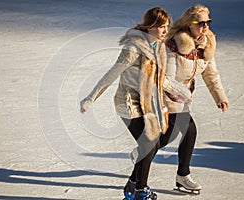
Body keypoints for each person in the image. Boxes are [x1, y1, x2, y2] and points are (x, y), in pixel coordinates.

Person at [80, 6, 190, 200]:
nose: (166, 30)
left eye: (167, 26)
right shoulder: (133, 48)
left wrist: (182, 91)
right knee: (149, 142)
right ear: (150, 27)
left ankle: (133, 185)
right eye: (161, 26)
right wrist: (90, 98)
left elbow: (160, 80)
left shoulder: (158, 49)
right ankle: (140, 190)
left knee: (154, 141)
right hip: (128, 104)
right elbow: (112, 74)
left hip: (146, 104)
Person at [157, 4, 229, 192]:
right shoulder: (174, 44)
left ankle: (142, 153)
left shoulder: (207, 43)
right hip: (166, 93)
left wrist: (219, 96)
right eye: (201, 23)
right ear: (189, 24)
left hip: (183, 95)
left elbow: (211, 74)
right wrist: (178, 93)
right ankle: (183, 175)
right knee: (189, 130)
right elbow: (165, 78)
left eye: (208, 22)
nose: (205, 27)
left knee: (166, 136)